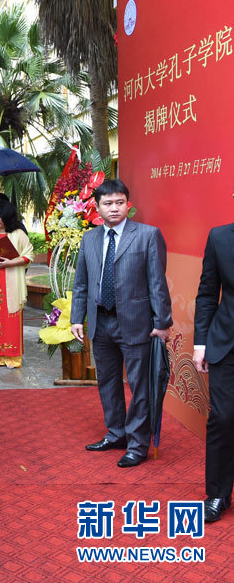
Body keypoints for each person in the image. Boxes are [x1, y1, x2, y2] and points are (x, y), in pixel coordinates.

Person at [71, 179, 172, 468]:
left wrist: (162, 322)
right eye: (107, 203)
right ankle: (116, 433)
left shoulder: (148, 236)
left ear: (128, 204)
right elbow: (81, 284)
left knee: (140, 385)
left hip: (136, 323)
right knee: (108, 382)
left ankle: (138, 443)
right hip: (101, 322)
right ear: (97, 207)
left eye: (119, 202)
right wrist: (77, 317)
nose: (114, 208)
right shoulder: (89, 239)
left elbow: (157, 283)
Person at [194, 221, 234, 522]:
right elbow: (208, 293)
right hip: (226, 341)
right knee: (222, 417)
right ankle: (218, 494)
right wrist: (200, 342)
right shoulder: (220, 237)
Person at [0, 200, 33, 369]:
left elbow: (29, 255)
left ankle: (12, 358)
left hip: (10, 282)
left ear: (7, 216)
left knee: (10, 319)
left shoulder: (18, 234)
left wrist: (11, 263)